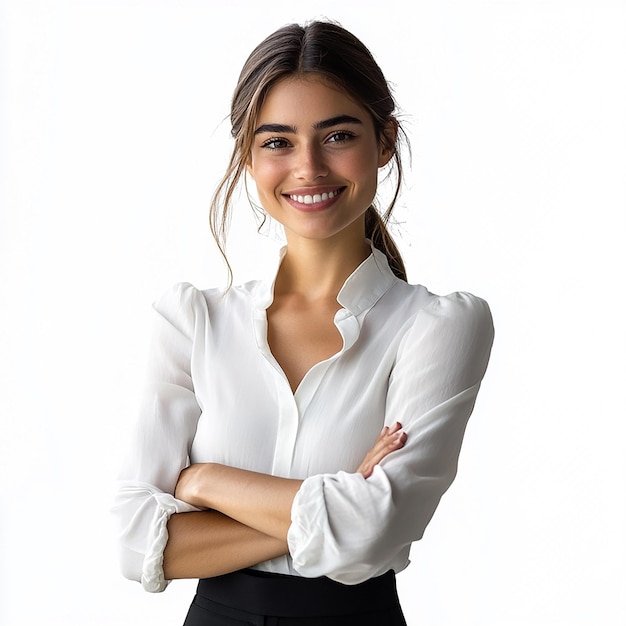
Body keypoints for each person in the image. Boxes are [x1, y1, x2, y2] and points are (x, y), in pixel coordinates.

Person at [112, 19, 494, 625]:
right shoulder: (193, 322)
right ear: (248, 154)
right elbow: (137, 543)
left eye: (337, 135)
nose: (308, 166)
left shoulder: (437, 326)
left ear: (385, 141)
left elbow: (375, 533)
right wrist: (339, 498)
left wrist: (203, 481)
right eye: (277, 141)